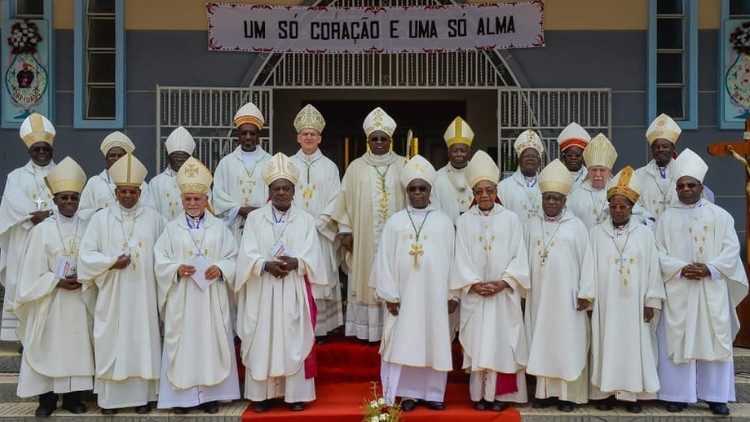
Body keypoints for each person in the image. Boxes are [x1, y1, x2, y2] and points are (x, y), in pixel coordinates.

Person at [654, 148, 749, 416]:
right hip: (679, 289)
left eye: (691, 185)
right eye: (681, 185)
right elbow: (657, 253)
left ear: (701, 186)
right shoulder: (665, 218)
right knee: (677, 339)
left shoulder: (720, 216)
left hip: (711, 288)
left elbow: (731, 252)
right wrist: (681, 268)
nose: (686, 189)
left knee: (713, 338)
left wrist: (709, 268)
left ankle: (716, 396)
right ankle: (677, 394)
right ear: (676, 188)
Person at [235, 153, 326, 413]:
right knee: (263, 338)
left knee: (292, 339)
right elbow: (246, 254)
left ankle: (294, 394)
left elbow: (313, 256)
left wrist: (297, 263)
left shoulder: (306, 220)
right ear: (270, 191)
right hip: (263, 288)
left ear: (294, 191)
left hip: (292, 290)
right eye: (277, 188)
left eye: (286, 188)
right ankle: (262, 395)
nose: (282, 193)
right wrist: (265, 265)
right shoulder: (255, 219)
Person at [78, 154, 164, 415]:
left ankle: (142, 398)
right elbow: (86, 254)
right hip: (113, 295)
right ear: (116, 192)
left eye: (133, 191)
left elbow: (163, 255)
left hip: (143, 294)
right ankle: (109, 401)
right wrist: (109, 263)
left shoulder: (154, 218)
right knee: (111, 342)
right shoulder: (101, 219)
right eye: (123, 191)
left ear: (140, 191)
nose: (128, 196)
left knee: (141, 341)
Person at [154, 157, 240, 414]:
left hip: (211, 298)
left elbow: (233, 257)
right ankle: (182, 398)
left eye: (197, 199)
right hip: (183, 298)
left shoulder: (220, 229)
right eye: (188, 199)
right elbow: (160, 260)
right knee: (182, 344)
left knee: (210, 343)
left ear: (206, 200)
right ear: (182, 201)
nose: (192, 203)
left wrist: (222, 268)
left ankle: (211, 395)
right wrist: (176, 269)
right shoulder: (171, 229)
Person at [371, 155, 455, 412]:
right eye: (413, 188)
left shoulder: (443, 222)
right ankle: (408, 393)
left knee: (433, 341)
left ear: (430, 190)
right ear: (406, 190)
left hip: (435, 297)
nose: (417, 193)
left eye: (423, 188)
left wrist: (454, 295)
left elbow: (455, 260)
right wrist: (388, 294)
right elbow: (383, 259)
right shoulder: (395, 222)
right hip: (404, 298)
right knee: (406, 343)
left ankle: (433, 393)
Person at [451, 150, 529, 411]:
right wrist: (473, 284)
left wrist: (503, 283)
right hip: (476, 297)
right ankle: (479, 396)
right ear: (473, 193)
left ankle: (500, 396)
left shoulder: (511, 219)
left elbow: (520, 255)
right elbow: (458, 257)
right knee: (480, 344)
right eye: (479, 191)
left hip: (502, 295)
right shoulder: (464, 221)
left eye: (489, 190)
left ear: (496, 191)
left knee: (501, 344)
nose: (484, 195)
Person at [15, 157, 93, 418]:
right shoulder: (42, 231)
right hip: (50, 301)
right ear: (55, 199)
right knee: (50, 347)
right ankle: (46, 400)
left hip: (80, 299)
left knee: (76, 347)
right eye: (64, 198)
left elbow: (94, 260)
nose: (69, 202)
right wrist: (55, 281)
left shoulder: (89, 227)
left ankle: (73, 398)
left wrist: (84, 276)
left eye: (74, 197)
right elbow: (30, 273)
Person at [589, 166, 665, 413]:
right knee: (607, 344)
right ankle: (607, 394)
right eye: (613, 206)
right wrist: (589, 300)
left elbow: (654, 269)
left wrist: (651, 301)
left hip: (635, 304)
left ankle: (631, 396)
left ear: (632, 208)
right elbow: (588, 268)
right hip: (606, 302)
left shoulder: (644, 234)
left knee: (634, 346)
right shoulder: (596, 233)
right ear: (608, 207)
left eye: (623, 207)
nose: (618, 211)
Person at [327, 107, 406, 342]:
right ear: (367, 141)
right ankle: (366, 331)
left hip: (397, 240)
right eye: (374, 139)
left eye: (383, 138)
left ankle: (395, 328)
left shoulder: (403, 165)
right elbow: (344, 202)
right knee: (365, 278)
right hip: (363, 240)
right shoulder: (355, 167)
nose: (379, 142)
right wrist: (345, 231)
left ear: (390, 140)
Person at [524, 159, 595, 412]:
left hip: (568, 298)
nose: (551, 202)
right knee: (541, 341)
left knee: (566, 343)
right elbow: (523, 259)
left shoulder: (576, 227)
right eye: (547, 198)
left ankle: (567, 396)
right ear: (541, 199)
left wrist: (586, 293)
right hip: (539, 296)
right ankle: (543, 393)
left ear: (565, 201)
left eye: (556, 198)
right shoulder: (532, 224)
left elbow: (588, 262)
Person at [0, 113, 56, 342]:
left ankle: (47, 335)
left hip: (53, 241)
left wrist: (49, 213)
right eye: (37, 149)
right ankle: (20, 337)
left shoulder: (64, 172)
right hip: (24, 242)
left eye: (45, 149)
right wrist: (33, 215)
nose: (42, 153)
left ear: (51, 149)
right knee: (24, 285)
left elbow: (70, 201)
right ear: (29, 151)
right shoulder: (16, 177)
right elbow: (12, 206)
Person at [290, 104, 343, 339]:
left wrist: (317, 223)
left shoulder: (330, 167)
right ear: (298, 137)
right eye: (305, 134)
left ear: (320, 138)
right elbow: (280, 194)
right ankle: (297, 327)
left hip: (321, 234)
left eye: (313, 134)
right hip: (293, 233)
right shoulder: (288, 164)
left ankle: (320, 329)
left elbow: (336, 200)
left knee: (319, 280)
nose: (309, 137)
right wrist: (297, 224)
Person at [213, 101, 272, 242]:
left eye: (252, 133)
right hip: (233, 228)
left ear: (258, 135)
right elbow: (218, 196)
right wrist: (239, 210)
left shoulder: (270, 162)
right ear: (238, 134)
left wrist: (258, 213)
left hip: (263, 226)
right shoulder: (226, 163)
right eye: (243, 133)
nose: (248, 137)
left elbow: (276, 193)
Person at [78, 131, 152, 220]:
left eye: (120, 156)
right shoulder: (94, 182)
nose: (116, 159)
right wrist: (98, 212)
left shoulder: (139, 182)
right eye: (112, 155)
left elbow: (149, 209)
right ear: (106, 158)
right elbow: (81, 212)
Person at [567, 133, 618, 229]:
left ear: (609, 172)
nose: (597, 175)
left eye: (602, 170)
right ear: (588, 171)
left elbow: (638, 215)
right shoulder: (577, 194)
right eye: (594, 170)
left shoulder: (618, 191)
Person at [635, 113, 681, 218]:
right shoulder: (639, 175)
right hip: (648, 228)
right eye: (657, 147)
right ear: (652, 150)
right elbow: (634, 204)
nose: (661, 150)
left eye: (665, 146)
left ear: (673, 148)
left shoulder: (683, 173)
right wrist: (649, 220)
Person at [148, 126, 197, 221]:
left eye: (184, 156)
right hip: (163, 232)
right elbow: (150, 213)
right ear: (168, 156)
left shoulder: (199, 180)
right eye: (176, 155)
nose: (180, 159)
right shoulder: (156, 183)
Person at [431, 116, 474, 223]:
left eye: (462, 150)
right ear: (448, 151)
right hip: (446, 228)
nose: (459, 154)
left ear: (469, 151)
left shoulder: (477, 174)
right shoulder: (437, 177)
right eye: (455, 150)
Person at [498, 129, 544, 226]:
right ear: (519, 159)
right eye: (526, 155)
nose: (530, 158)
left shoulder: (547, 185)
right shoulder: (504, 187)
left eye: (534, 156)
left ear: (539, 161)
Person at [557, 122, 591, 191]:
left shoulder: (590, 176)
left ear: (583, 157)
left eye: (577, 155)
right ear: (563, 157)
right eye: (569, 155)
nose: (573, 158)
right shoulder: (556, 175)